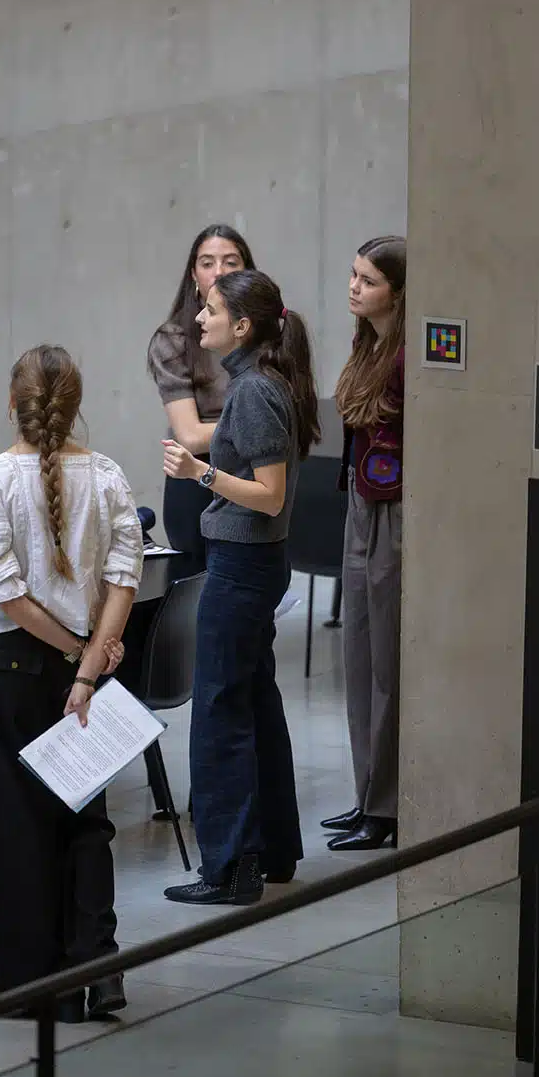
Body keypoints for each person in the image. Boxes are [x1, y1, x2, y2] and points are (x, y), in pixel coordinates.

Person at [0, 344, 144, 1021]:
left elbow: (7, 594)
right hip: (86, 672)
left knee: (17, 826)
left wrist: (74, 651)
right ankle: (98, 973)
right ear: (74, 410)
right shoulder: (107, 475)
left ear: (13, 406)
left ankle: (26, 990)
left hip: (15, 665)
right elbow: (125, 573)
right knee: (86, 819)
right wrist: (90, 663)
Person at [160, 270, 319, 906]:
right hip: (255, 563)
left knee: (220, 712)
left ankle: (229, 868)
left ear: (243, 326)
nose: (200, 319)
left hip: (243, 564)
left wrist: (202, 474)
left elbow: (269, 494)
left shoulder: (254, 390)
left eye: (212, 310)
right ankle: (272, 854)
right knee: (253, 703)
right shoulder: (262, 382)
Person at [322, 235, 406, 852]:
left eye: (368, 280)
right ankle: (366, 794)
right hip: (361, 499)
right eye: (353, 275)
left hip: (394, 509)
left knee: (387, 660)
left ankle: (387, 805)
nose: (355, 287)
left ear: (398, 292)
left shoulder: (409, 356)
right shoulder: (367, 343)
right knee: (358, 653)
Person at [147, 224, 256, 574]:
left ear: (247, 272)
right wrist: (257, 425)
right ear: (194, 274)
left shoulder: (271, 338)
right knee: (201, 599)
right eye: (207, 263)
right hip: (196, 482)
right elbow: (191, 437)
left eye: (231, 262)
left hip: (258, 477)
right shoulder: (173, 339)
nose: (219, 272)